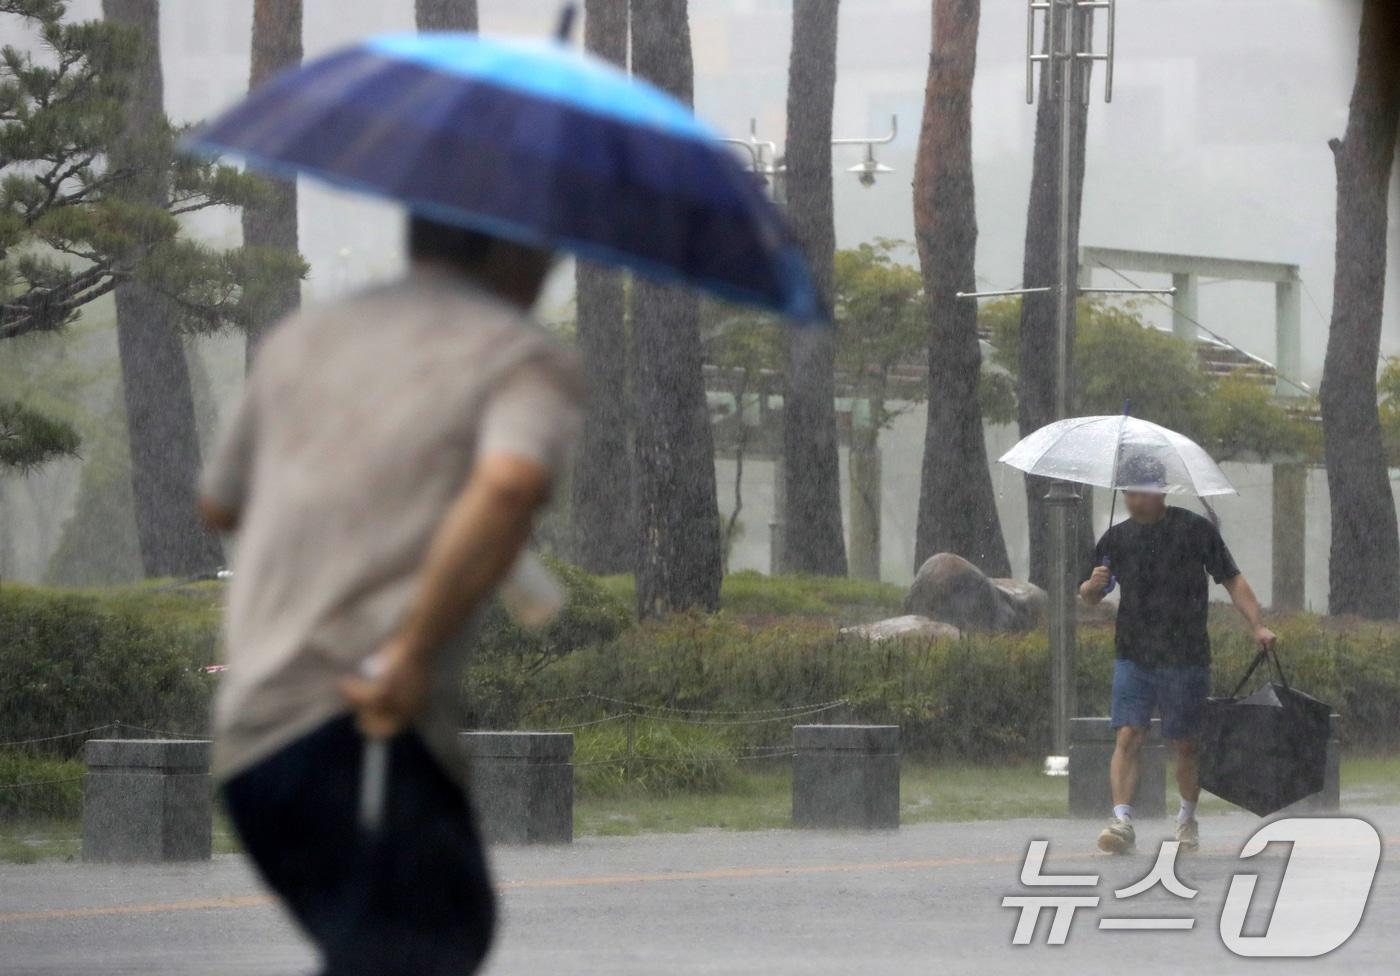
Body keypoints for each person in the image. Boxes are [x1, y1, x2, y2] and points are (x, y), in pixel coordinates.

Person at [196, 214, 582, 976]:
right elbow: (510, 483)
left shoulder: (306, 341)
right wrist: (407, 648)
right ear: (515, 247)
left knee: (402, 944)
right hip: (359, 714)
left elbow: (222, 502)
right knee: (428, 941)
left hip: (252, 739)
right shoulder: (516, 357)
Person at [1078, 452, 1276, 856]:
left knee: (1185, 743)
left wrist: (1257, 624)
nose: (1135, 500)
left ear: (1162, 491)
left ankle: (1186, 819)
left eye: (1144, 492)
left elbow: (1232, 579)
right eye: (1129, 492)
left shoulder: (1195, 530)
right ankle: (1121, 820)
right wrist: (1092, 586)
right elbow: (1092, 597)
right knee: (1128, 733)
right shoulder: (1115, 540)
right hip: (1133, 653)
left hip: (1185, 656)